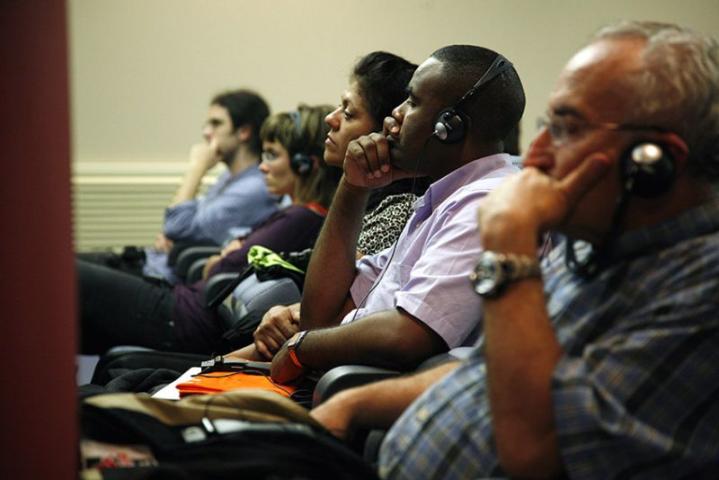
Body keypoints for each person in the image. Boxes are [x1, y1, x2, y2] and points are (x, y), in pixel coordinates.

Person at [311, 21, 719, 479]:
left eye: (567, 130)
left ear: (655, 162)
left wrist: (510, 251)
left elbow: (539, 453)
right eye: (547, 126)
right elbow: (492, 371)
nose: (537, 153)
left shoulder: (701, 289)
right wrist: (355, 402)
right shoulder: (592, 248)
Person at [226, 45, 526, 384]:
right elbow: (318, 315)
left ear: (450, 126)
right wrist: (353, 187)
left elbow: (408, 335)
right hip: (338, 383)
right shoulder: (440, 201)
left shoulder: (482, 205)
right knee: (162, 385)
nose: (392, 116)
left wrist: (302, 346)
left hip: (357, 396)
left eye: (411, 102)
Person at [78, 104, 339, 355]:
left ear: (306, 165)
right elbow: (230, 260)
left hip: (182, 317)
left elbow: (221, 268)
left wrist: (226, 255)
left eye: (272, 155)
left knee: (70, 275)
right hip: (182, 305)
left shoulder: (302, 218)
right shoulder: (296, 213)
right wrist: (227, 254)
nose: (262, 166)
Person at [244, 51, 430, 360]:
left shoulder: (399, 209)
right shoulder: (359, 200)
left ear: (384, 131)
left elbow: (333, 311)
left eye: (348, 112)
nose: (331, 119)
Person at [79, 89, 278, 284]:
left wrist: (197, 167)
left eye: (216, 124)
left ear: (244, 132)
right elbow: (181, 224)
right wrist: (172, 233)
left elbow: (176, 226)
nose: (206, 133)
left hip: (159, 281)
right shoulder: (229, 177)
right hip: (148, 263)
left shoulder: (254, 188)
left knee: (71, 273)